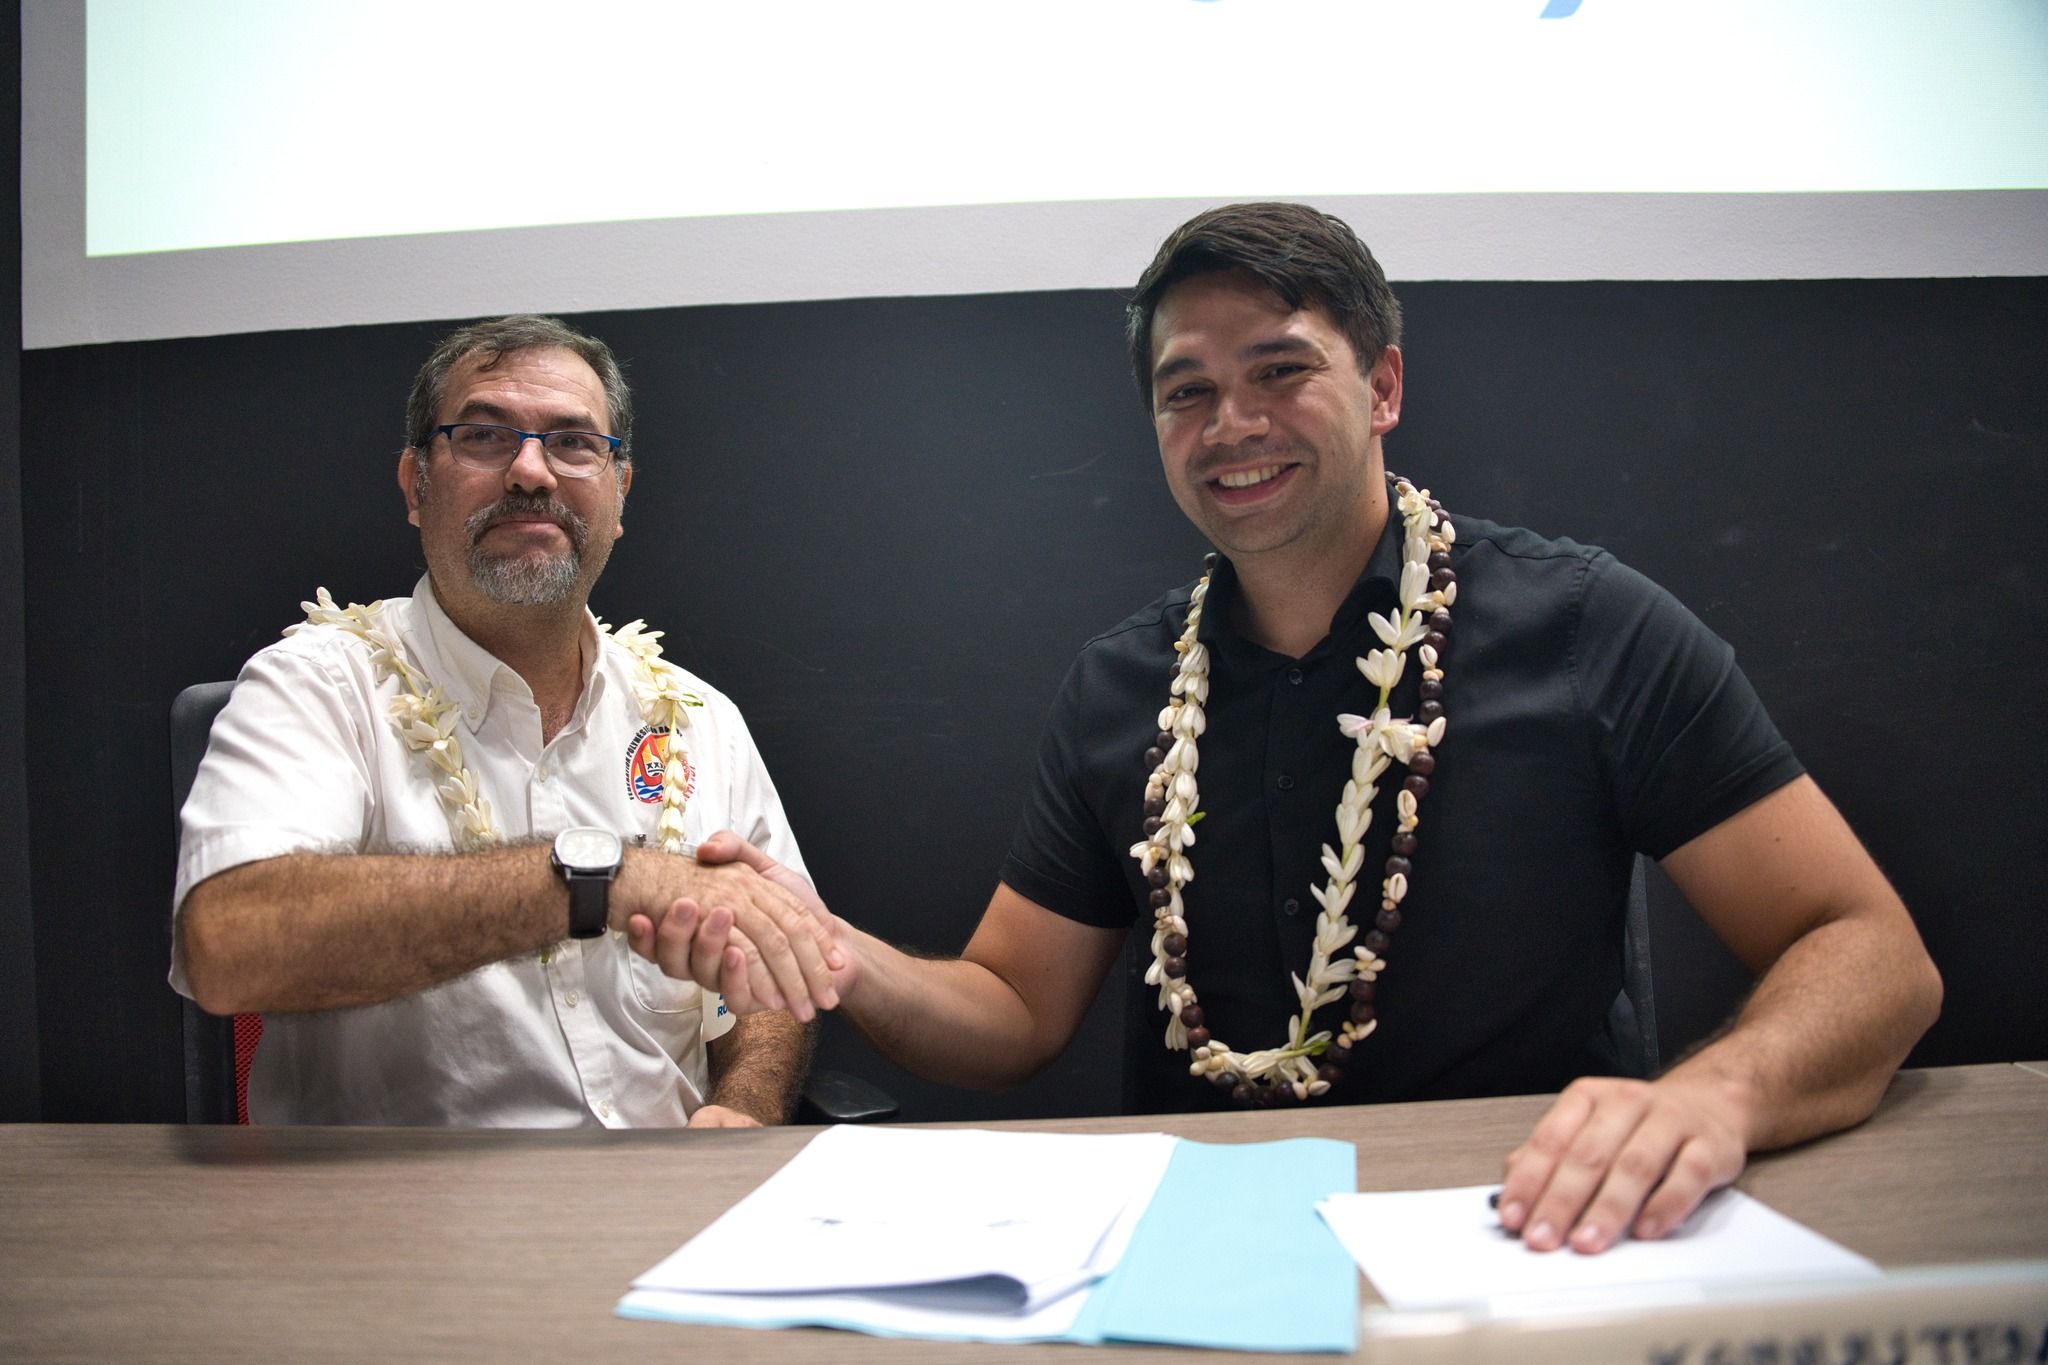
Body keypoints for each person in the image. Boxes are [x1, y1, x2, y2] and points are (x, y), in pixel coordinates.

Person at [660, 203, 1944, 1253]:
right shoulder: (1121, 682)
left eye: (1280, 370)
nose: (1231, 425)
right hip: (1192, 1259)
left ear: (1381, 384)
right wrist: (836, 954)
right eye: (1186, 392)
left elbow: (1870, 952)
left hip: (1527, 1233)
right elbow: (1010, 1012)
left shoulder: (1585, 623)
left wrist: (1712, 1098)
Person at [173, 315, 841, 1128]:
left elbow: (780, 974)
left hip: (668, 1211)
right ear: (415, 485)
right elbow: (231, 943)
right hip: (401, 1229)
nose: (532, 471)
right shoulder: (314, 686)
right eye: (485, 435)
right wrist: (596, 881)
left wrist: (745, 1105)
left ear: (621, 492)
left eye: (573, 443)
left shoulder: (700, 719)